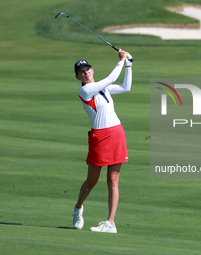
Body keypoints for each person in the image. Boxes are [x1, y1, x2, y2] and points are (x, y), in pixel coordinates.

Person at [72, 49, 132, 233]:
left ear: (92, 70)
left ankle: (110, 223)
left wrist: (129, 65)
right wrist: (121, 60)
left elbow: (125, 87)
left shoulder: (102, 87)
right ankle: (78, 208)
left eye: (88, 69)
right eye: (82, 71)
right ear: (78, 77)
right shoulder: (85, 90)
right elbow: (111, 78)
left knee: (113, 180)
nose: (86, 72)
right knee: (92, 181)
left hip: (116, 133)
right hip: (100, 137)